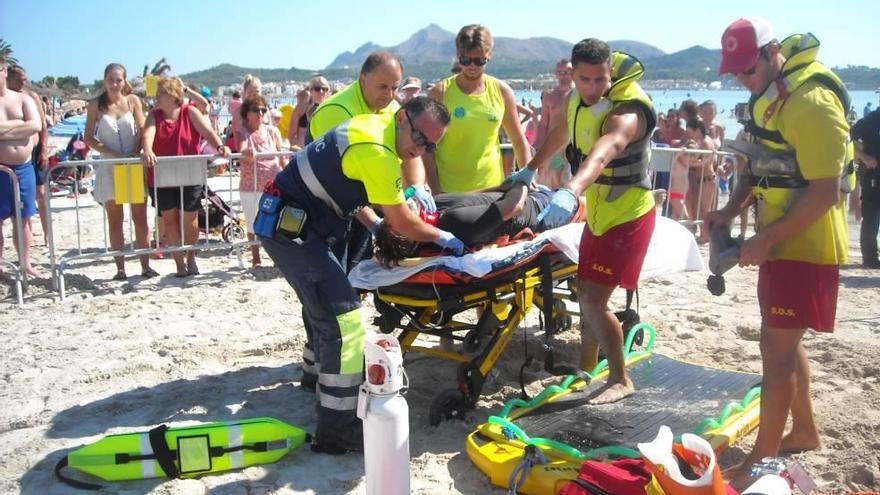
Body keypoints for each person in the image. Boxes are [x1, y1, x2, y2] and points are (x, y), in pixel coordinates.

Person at [258, 96, 462, 453]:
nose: (420, 148)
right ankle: (338, 427)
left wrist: (375, 222)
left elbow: (347, 191)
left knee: (323, 307)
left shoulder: (371, 126)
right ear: (402, 118)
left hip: (297, 220)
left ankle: (316, 379)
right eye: (419, 137)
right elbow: (403, 222)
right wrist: (442, 237)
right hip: (292, 229)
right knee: (345, 318)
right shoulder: (378, 152)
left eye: (430, 146)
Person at [705, 18, 851, 485]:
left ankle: (760, 461)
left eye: (747, 70)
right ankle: (804, 429)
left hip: (806, 245)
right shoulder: (765, 98)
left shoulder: (810, 101)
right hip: (778, 242)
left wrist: (767, 238)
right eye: (735, 74)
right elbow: (759, 166)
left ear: (771, 53)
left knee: (777, 349)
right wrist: (728, 211)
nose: (742, 80)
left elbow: (826, 191)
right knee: (782, 343)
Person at [508, 39, 657, 404]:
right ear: (572, 75)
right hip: (600, 213)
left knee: (593, 301)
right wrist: (530, 168)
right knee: (587, 290)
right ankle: (589, 370)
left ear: (610, 74)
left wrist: (570, 190)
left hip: (628, 214)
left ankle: (621, 379)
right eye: (585, 79)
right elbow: (561, 134)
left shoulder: (626, 110)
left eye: (601, 80)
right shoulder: (575, 99)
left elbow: (606, 151)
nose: (594, 88)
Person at [425, 24, 531, 194]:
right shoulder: (439, 93)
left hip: (492, 189)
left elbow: (519, 141)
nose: (472, 66)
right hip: (449, 191)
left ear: (489, 56)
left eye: (479, 61)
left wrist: (528, 177)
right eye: (465, 60)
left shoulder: (502, 92)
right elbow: (426, 148)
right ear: (458, 56)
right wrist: (435, 190)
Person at [141, 77, 230, 277]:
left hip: (190, 172)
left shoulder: (189, 112)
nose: (157, 96)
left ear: (173, 96)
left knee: (190, 219)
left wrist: (220, 146)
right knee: (170, 220)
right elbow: (148, 134)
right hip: (163, 175)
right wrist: (147, 149)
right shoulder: (154, 115)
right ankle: (179, 263)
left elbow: (207, 132)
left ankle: (191, 258)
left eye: (162, 92)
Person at [84, 63, 157, 280]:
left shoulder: (133, 101)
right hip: (109, 166)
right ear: (104, 80)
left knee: (140, 218)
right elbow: (89, 137)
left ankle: (145, 265)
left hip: (132, 165)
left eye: (118, 80)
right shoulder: (96, 105)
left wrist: (136, 150)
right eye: (111, 79)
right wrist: (111, 153)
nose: (115, 84)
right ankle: (120, 268)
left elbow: (143, 129)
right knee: (115, 220)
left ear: (124, 81)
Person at [374, 184, 555, 265]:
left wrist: (505, 185)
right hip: (541, 205)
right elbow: (514, 207)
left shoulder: (434, 206)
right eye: (399, 219)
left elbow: (471, 197)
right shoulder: (455, 224)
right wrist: (521, 182)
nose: (401, 210)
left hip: (526, 194)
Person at [0, 56, 42, 277]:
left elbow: (35, 125)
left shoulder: (23, 99)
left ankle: (25, 263)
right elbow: (27, 126)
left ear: (4, 71)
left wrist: (4, 130)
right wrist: (19, 125)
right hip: (1, 168)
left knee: (23, 218)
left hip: (23, 166)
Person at [235, 94, 283, 267]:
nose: (261, 113)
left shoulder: (272, 131)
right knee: (252, 221)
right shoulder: (242, 131)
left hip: (273, 184)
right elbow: (241, 148)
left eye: (263, 109)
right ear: (247, 112)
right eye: (256, 110)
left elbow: (281, 153)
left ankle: (276, 256)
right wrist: (245, 151)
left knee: (275, 220)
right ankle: (256, 257)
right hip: (251, 185)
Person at [6, 65, 50, 245]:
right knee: (21, 196)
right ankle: (28, 231)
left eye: (25, 78)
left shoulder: (31, 97)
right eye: (20, 79)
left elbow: (42, 126)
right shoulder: (6, 98)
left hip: (35, 150)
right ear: (9, 78)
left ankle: (47, 232)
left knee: (40, 192)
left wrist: (44, 150)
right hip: (15, 154)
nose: (23, 82)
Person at [535, 59, 575, 189]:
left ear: (573, 72)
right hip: (553, 149)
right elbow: (544, 123)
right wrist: (538, 148)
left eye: (567, 72)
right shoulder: (549, 96)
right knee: (548, 189)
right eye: (560, 72)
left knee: (571, 189)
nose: (564, 75)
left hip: (573, 149)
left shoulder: (579, 95)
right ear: (556, 74)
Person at [851, 108, 880, 268]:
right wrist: (863, 156)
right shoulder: (872, 119)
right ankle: (870, 258)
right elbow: (846, 138)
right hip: (873, 175)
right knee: (872, 216)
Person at [288, 75, 330, 148]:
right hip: (303, 151)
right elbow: (291, 134)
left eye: (324, 89)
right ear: (311, 90)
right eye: (317, 88)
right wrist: (298, 150)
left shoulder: (330, 109)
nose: (321, 91)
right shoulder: (301, 108)